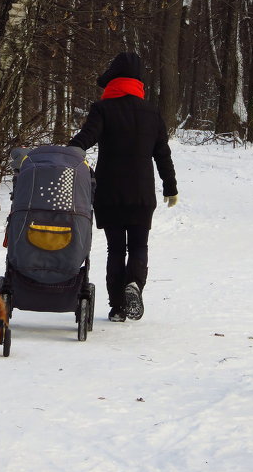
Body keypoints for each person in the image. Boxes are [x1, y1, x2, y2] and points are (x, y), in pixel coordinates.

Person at [68, 52, 178, 322]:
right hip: (141, 194)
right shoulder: (151, 112)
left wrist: (69, 154)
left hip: (109, 193)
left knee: (115, 249)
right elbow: (162, 154)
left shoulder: (103, 109)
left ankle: (117, 306)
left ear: (113, 79)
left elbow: (86, 138)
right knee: (139, 246)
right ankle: (134, 286)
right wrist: (170, 187)